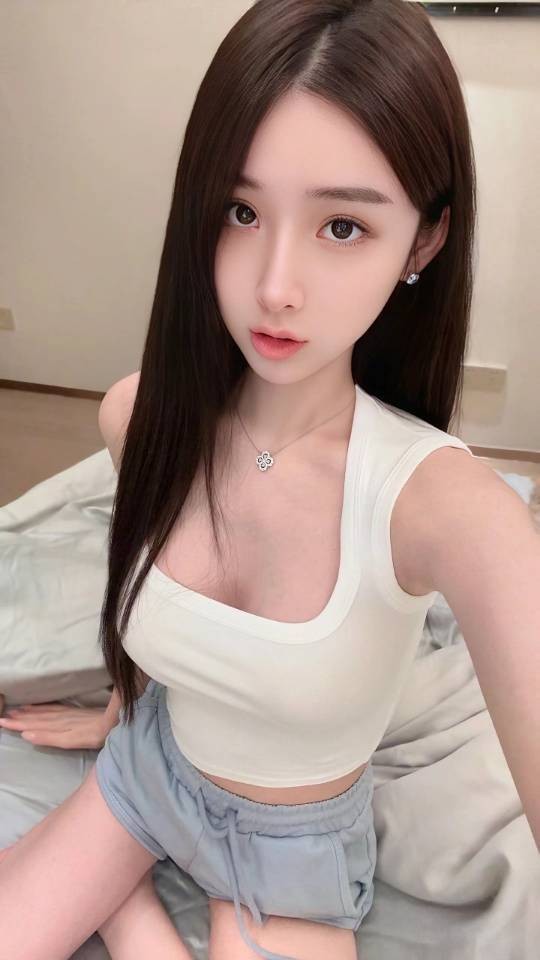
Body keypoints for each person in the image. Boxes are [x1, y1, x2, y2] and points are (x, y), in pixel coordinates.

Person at [2, 1, 538, 959]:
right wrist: (119, 716)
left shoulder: (448, 510)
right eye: (241, 211)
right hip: (147, 773)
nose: (275, 286)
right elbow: (144, 589)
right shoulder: (139, 418)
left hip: (292, 857)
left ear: (423, 241)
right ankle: (123, 884)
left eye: (343, 225)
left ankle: (124, 901)